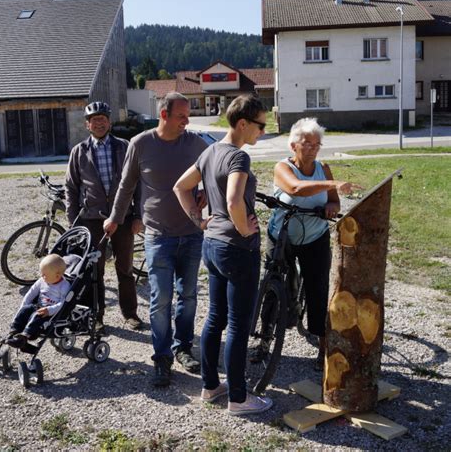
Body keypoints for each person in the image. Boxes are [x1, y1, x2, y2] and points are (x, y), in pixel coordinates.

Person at [174, 94, 273, 416]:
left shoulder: (210, 152)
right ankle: (239, 399)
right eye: (260, 125)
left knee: (215, 318)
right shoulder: (237, 158)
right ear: (243, 123)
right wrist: (245, 230)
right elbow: (233, 201)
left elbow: (180, 187)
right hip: (237, 249)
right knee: (238, 324)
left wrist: (199, 222)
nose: (263, 131)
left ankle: (210, 386)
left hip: (212, 245)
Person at [103, 92, 208, 387]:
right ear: (164, 115)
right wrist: (115, 218)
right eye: (181, 116)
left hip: (191, 233)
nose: (187, 122)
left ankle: (183, 348)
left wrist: (206, 195)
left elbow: (217, 174)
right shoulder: (141, 144)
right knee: (160, 298)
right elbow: (126, 186)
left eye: (188, 116)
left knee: (187, 297)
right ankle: (162, 357)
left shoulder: (196, 144)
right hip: (158, 235)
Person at [267, 117, 362, 370]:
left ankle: (323, 346)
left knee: (318, 290)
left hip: (314, 236)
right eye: (306, 143)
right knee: (272, 284)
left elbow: (334, 203)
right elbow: (296, 188)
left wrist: (331, 206)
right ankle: (264, 339)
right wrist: (333, 184)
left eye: (316, 144)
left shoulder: (323, 168)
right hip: (283, 235)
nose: (312, 148)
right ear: (293, 146)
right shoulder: (282, 168)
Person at [65, 101, 143, 333]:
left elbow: (138, 185)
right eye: (94, 120)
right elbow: (71, 188)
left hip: (123, 218)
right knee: (93, 271)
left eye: (103, 119)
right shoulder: (79, 152)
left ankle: (130, 314)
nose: (99, 123)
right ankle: (95, 317)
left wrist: (138, 215)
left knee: (125, 268)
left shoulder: (125, 147)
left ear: (109, 122)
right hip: (91, 219)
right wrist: (73, 224)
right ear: (87, 125)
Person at [7, 254, 71, 349]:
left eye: (44, 275)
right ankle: (14, 330)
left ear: (57, 276)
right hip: (38, 305)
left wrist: (49, 310)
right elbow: (31, 293)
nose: (42, 276)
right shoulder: (42, 280)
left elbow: (63, 303)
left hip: (50, 312)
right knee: (25, 309)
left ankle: (25, 335)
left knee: (36, 316)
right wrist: (24, 306)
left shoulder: (64, 286)